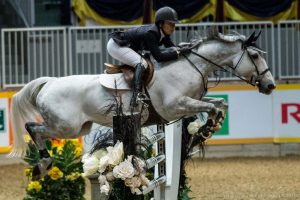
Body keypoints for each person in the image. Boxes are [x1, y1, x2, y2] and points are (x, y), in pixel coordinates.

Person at [107, 6, 190, 107]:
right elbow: (159, 57)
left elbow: (172, 48)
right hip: (116, 46)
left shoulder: (163, 34)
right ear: (160, 24)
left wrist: (184, 49)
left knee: (145, 62)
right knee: (142, 63)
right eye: (170, 24)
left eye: (174, 24)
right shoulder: (151, 33)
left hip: (125, 45)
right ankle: (136, 96)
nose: (173, 27)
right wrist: (179, 53)